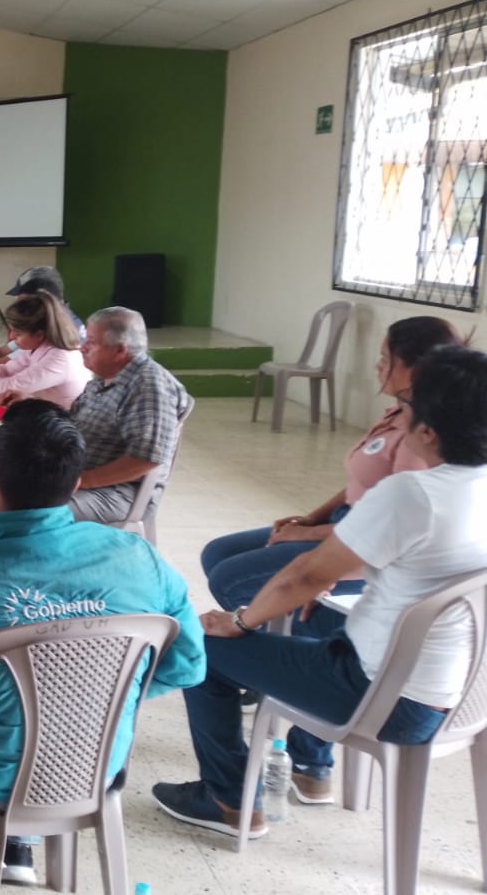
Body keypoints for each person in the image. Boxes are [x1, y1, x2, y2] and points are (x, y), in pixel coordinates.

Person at [0, 400, 205, 892]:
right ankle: (14, 847)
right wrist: (96, 696)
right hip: (95, 769)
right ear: (76, 483)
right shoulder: (140, 558)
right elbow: (187, 666)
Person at [153, 345, 487, 841]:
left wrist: (240, 621)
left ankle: (227, 797)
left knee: (205, 646)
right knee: (309, 616)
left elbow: (303, 577)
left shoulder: (412, 493)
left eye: (408, 407)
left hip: (387, 696)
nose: (400, 414)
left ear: (428, 432)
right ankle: (311, 766)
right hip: (461, 691)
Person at [200, 318, 465, 626]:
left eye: (385, 359)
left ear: (417, 368)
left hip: (367, 544)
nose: (377, 366)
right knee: (218, 553)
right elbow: (362, 483)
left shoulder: (420, 435)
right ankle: (268, 622)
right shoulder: (397, 412)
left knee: (230, 579)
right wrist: (313, 517)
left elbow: (389, 528)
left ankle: (278, 628)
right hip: (343, 521)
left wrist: (306, 535)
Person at [64, 307, 192, 526]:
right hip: (78, 475)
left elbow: (146, 458)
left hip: (116, 491)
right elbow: (73, 420)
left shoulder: (148, 387)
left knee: (27, 510)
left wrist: (85, 480)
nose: (82, 348)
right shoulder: (105, 378)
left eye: (91, 342)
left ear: (119, 350)